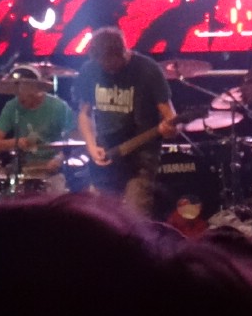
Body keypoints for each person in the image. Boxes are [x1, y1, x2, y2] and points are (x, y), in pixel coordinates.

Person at [75, 26, 178, 215]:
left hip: (141, 156)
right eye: (101, 62)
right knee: (102, 216)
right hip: (107, 153)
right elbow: (84, 114)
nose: (106, 67)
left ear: (122, 52)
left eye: (110, 62)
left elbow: (169, 116)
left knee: (135, 215)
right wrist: (91, 146)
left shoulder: (147, 70)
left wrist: (169, 129)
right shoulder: (90, 70)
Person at [0, 67, 75, 191]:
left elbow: (74, 141)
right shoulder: (12, 107)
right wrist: (16, 143)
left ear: (35, 89)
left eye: (24, 90)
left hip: (52, 172)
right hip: (22, 171)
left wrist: (59, 159)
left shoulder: (59, 107)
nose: (19, 95)